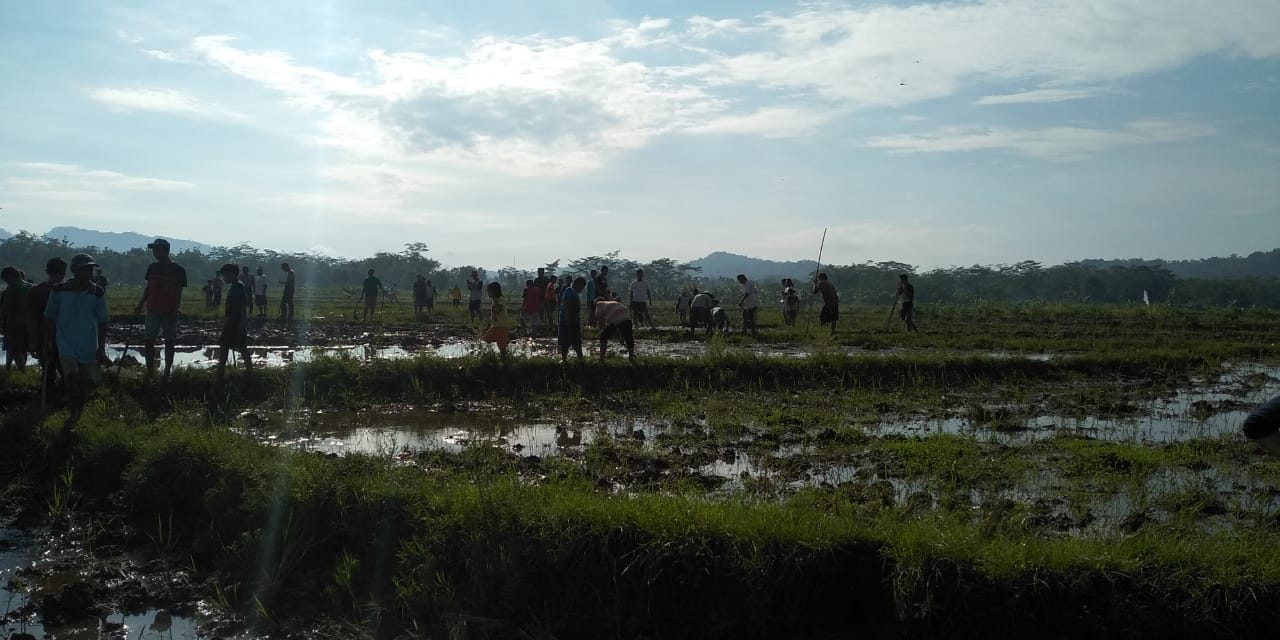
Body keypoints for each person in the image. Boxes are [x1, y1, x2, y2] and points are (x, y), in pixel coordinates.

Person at [43, 254, 110, 430]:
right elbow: (49, 318)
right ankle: (74, 414)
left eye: (90, 270)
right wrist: (49, 343)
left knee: (88, 382)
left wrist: (101, 348)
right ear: (74, 271)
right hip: (65, 343)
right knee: (71, 376)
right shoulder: (59, 290)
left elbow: (103, 321)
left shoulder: (97, 293)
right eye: (84, 270)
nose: (88, 273)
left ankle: (78, 411)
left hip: (88, 344)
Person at [135, 238, 187, 380]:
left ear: (166, 251)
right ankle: (150, 370)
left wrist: (175, 309)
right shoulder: (152, 267)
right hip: (152, 308)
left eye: (157, 249)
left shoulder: (178, 270)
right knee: (148, 340)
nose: (155, 252)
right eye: (154, 250)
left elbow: (179, 292)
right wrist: (140, 304)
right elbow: (148, 288)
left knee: (169, 340)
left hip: (169, 309)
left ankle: (167, 370)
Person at [27, 257, 67, 387]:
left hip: (43, 336)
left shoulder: (36, 290)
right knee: (67, 371)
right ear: (64, 273)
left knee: (48, 370)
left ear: (47, 271)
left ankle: (49, 398)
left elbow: (32, 318)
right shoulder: (69, 291)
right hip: (65, 338)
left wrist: (32, 341)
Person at [216, 263, 252, 374]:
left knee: (234, 345)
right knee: (229, 344)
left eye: (225, 275)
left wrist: (242, 320)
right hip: (232, 320)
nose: (224, 278)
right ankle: (222, 367)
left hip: (235, 320)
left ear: (231, 274)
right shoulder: (235, 286)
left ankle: (223, 368)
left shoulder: (238, 286)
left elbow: (242, 305)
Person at [1, 266, 33, 370]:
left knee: (14, 350)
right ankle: (22, 372)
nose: (7, 282)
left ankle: (22, 373)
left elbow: (5, 308)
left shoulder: (12, 288)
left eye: (6, 280)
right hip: (30, 325)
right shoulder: (31, 287)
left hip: (14, 325)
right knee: (23, 350)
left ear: (10, 277)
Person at [593, 297, 636, 364]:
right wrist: (620, 336)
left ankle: (601, 360)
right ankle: (631, 358)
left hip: (615, 317)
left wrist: (602, 331)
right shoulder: (612, 303)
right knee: (629, 337)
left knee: (603, 337)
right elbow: (617, 325)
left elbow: (598, 317)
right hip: (626, 315)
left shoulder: (598, 304)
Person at [558, 276, 587, 364]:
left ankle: (580, 359)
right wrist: (567, 320)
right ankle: (565, 359)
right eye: (582, 287)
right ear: (578, 284)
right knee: (566, 342)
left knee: (575, 341)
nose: (582, 289)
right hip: (568, 320)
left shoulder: (573, 292)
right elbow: (567, 305)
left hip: (572, 320)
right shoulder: (569, 291)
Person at [482, 281, 510, 360]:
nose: (488, 293)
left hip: (501, 325)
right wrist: (487, 311)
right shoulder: (495, 300)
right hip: (495, 325)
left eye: (489, 292)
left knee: (501, 345)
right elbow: (495, 311)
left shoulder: (500, 299)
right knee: (487, 339)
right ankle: (504, 341)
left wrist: (495, 300)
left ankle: (503, 359)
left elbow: (499, 308)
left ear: (494, 292)